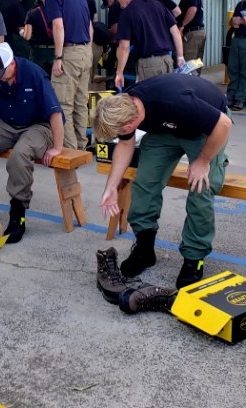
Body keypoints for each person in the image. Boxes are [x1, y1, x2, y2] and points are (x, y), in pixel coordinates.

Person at [93, 73, 232, 289]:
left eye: (119, 132)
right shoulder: (126, 105)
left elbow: (223, 124)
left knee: (201, 187)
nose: (120, 135)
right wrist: (111, 187)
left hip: (206, 129)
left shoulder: (175, 100)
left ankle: (194, 258)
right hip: (166, 130)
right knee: (144, 182)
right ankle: (145, 248)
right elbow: (125, 145)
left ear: (129, 126)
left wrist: (203, 161)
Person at [0, 43, 65, 243]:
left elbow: (55, 112)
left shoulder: (34, 74)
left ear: (12, 65)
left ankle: (18, 214)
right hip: (6, 123)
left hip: (38, 126)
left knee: (19, 155)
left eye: (0, 72)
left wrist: (57, 147)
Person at [35, 0, 93, 150]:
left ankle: (69, 149)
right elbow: (90, 27)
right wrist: (87, 49)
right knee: (81, 102)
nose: (43, 3)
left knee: (62, 104)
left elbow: (58, 26)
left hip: (68, 53)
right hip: (85, 51)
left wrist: (58, 57)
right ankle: (82, 145)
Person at [112, 0, 184, 90]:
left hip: (149, 64)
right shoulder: (158, 5)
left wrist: (119, 72)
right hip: (168, 61)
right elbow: (176, 33)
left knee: (150, 100)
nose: (119, 3)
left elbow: (124, 46)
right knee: (166, 97)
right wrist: (180, 56)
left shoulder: (127, 13)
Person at [177, 0, 206, 74]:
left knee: (189, 65)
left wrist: (182, 25)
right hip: (199, 32)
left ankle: (190, 86)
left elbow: (192, 9)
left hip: (191, 33)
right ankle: (197, 85)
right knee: (196, 63)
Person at [23, 0, 55, 75]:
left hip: (37, 52)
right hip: (54, 50)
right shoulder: (57, 12)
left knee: (35, 76)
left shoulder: (32, 13)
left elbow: (27, 36)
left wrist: (22, 32)